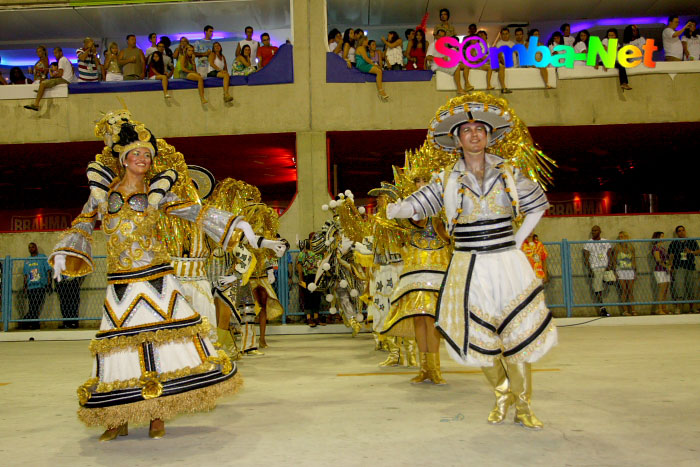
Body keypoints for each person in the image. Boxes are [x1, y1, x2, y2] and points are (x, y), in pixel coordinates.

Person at [49, 109, 286, 441]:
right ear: (123, 158)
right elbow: (83, 224)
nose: (143, 159)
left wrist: (236, 225)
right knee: (119, 351)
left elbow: (197, 212)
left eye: (148, 154)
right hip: (119, 284)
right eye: (137, 154)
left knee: (161, 349)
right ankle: (117, 417)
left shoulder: (158, 194)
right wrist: (65, 253)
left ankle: (157, 416)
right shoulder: (102, 194)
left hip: (157, 280)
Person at [386, 92, 557, 430]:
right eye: (467, 130)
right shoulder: (445, 179)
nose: (475, 134)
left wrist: (517, 242)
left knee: (516, 337)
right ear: (457, 138)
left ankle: (523, 405)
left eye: (480, 128)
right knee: (479, 337)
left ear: (489, 135)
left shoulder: (509, 172)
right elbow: (418, 205)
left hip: (507, 263)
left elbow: (539, 204)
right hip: (468, 265)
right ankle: (502, 394)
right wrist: (397, 209)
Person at [379, 146, 451, 384]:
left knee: (433, 318)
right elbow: (392, 236)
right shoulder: (405, 211)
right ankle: (424, 368)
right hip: (413, 271)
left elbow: (449, 236)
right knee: (419, 318)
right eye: (417, 180)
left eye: (424, 180)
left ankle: (436, 367)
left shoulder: (441, 208)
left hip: (437, 268)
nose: (421, 184)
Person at [24, 47, 73, 111]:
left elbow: (60, 74)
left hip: (64, 80)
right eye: (54, 53)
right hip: (66, 79)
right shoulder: (65, 59)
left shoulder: (61, 60)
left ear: (61, 52)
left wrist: (52, 77)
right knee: (44, 83)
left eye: (56, 53)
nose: (55, 55)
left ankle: (36, 104)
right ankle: (40, 91)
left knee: (43, 83)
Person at [426, 28, 473, 94]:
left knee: (465, 66)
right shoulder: (433, 45)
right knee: (457, 67)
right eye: (440, 36)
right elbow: (428, 57)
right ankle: (459, 89)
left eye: (443, 36)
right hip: (437, 65)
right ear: (436, 36)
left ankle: (467, 84)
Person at [668, 225, 700, 314]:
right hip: (679, 268)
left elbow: (698, 252)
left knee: (692, 288)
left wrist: (691, 251)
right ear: (677, 233)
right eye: (679, 231)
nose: (681, 232)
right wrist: (670, 266)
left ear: (685, 231)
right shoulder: (674, 243)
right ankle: (679, 308)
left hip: (690, 267)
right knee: (679, 288)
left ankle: (693, 308)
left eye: (683, 230)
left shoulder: (692, 241)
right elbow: (670, 256)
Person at [583, 225, 613, 317]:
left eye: (595, 230)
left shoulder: (605, 242)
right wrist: (589, 268)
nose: (593, 232)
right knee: (597, 288)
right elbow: (586, 257)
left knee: (612, 281)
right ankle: (602, 308)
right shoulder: (588, 243)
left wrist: (610, 265)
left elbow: (610, 254)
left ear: (600, 231)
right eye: (592, 230)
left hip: (606, 267)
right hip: (595, 267)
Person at [22, 242, 52, 330]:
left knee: (36, 305)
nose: (31, 249)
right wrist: (24, 286)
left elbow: (48, 271)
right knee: (32, 306)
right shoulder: (27, 260)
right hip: (31, 287)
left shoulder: (42, 257)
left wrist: (49, 283)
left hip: (40, 286)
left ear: (36, 248)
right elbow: (26, 275)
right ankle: (33, 323)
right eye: (29, 247)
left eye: (33, 247)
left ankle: (27, 322)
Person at [297, 236, 322, 327]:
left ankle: (316, 316)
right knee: (308, 296)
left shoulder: (319, 253)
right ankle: (308, 317)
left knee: (317, 296)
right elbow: (299, 265)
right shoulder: (303, 253)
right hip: (308, 276)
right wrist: (301, 278)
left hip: (317, 276)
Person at [355, 36, 389, 101]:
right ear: (363, 41)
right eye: (366, 40)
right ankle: (381, 91)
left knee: (379, 71)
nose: (367, 41)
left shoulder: (363, 48)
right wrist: (374, 65)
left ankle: (381, 91)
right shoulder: (361, 48)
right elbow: (366, 59)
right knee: (378, 71)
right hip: (362, 65)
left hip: (364, 64)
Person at [611, 231, 637, 316]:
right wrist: (615, 272)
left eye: (623, 236)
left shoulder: (631, 248)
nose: (621, 238)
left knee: (631, 291)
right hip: (620, 270)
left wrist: (635, 271)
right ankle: (625, 310)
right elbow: (614, 260)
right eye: (620, 237)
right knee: (624, 290)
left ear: (626, 237)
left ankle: (633, 310)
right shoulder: (617, 248)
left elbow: (633, 260)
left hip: (629, 270)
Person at [651, 231, 671, 315]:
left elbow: (666, 259)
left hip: (665, 270)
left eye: (663, 236)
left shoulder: (663, 248)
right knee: (661, 290)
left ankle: (664, 307)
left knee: (665, 290)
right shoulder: (655, 248)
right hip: (659, 270)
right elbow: (658, 260)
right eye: (661, 236)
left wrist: (669, 265)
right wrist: (666, 266)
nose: (663, 238)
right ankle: (659, 309)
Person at [492, 26, 514, 93]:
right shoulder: (498, 44)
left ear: (509, 34)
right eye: (503, 34)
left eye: (506, 33)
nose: (505, 35)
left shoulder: (512, 43)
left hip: (513, 66)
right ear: (501, 35)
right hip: (505, 66)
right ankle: (504, 87)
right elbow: (499, 56)